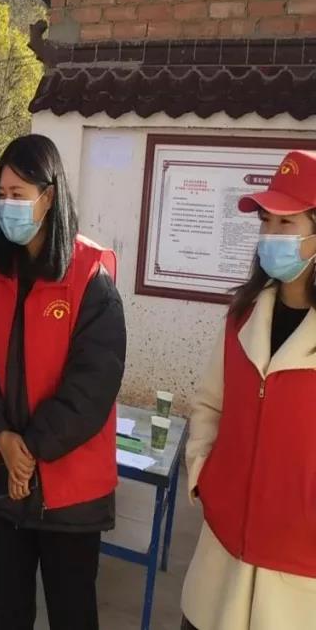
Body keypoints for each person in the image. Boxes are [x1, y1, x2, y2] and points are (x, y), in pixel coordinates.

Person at [0, 134, 126, 630]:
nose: (7, 204)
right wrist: (1, 437)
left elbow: (91, 389)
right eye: (1, 194)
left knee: (72, 615)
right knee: (8, 614)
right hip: (3, 483)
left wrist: (27, 450)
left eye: (19, 193)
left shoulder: (90, 279)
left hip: (69, 493)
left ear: (48, 197)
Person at [181, 150, 316, 630]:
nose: (270, 236)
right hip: (219, 560)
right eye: (265, 221)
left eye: (287, 222)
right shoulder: (243, 316)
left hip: (297, 580)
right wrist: (204, 473)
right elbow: (209, 404)